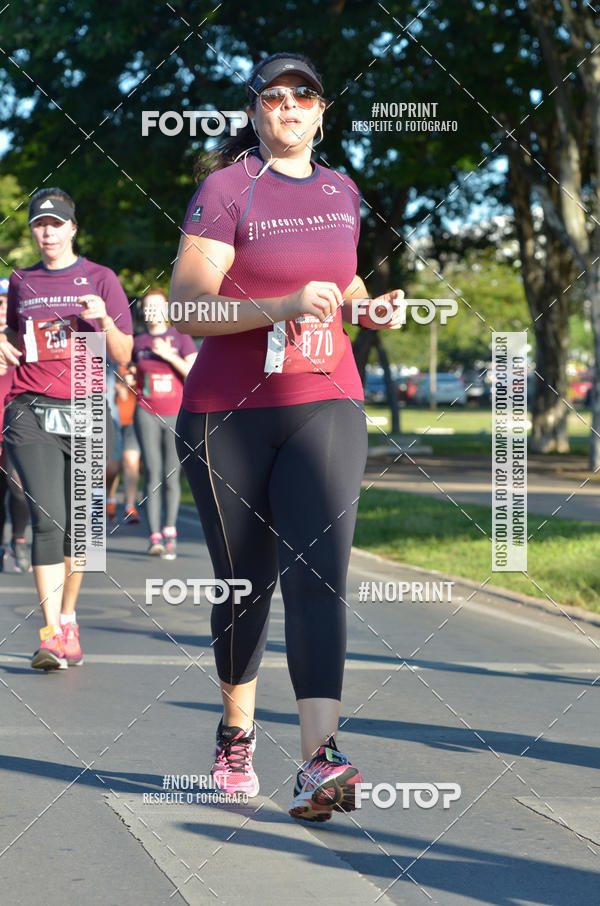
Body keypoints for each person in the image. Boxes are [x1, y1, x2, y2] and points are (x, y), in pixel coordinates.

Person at [169, 52, 403, 822]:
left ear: (322, 112)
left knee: (320, 574)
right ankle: (236, 731)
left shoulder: (342, 192)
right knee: (248, 586)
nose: (290, 108)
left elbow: (341, 281)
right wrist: (283, 304)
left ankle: (318, 759)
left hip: (325, 401)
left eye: (304, 96)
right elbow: (188, 309)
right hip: (226, 415)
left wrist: (367, 309)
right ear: (255, 111)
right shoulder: (227, 190)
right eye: (274, 97)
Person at [0, 188, 133, 669]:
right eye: (40, 224)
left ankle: (69, 618)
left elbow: (121, 354)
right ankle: (51, 632)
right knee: (48, 520)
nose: (48, 231)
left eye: (57, 223)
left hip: (87, 407)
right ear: (33, 230)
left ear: (73, 228)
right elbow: (17, 336)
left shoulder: (101, 278)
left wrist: (102, 323)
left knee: (85, 531)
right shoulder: (21, 280)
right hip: (30, 409)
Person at [132, 289, 196, 558]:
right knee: (153, 474)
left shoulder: (180, 337)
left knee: (171, 475)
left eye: (157, 307)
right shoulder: (138, 341)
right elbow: (134, 372)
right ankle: (154, 536)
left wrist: (169, 356)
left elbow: (193, 373)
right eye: (148, 307)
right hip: (146, 411)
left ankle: (170, 531)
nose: (152, 312)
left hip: (174, 412)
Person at [0, 277, 31, 572]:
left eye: (7, 304)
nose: (2, 309)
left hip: (16, 425)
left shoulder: (26, 340)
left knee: (17, 486)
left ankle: (19, 540)